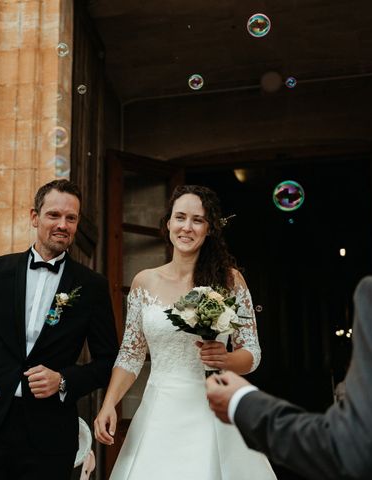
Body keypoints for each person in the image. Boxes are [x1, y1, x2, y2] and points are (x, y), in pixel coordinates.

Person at [0, 179, 119, 480]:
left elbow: (107, 362)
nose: (62, 224)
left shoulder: (92, 286)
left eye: (71, 218)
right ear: (35, 217)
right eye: (54, 215)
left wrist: (63, 379)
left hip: (50, 436)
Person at [94, 185, 276, 479]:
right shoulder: (144, 282)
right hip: (160, 410)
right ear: (168, 224)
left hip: (213, 408)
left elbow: (252, 353)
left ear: (209, 229)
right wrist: (109, 405)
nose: (187, 227)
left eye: (198, 220)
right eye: (180, 217)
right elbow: (131, 355)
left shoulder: (230, 281)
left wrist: (226, 359)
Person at [206, 274, 372, 480]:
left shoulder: (229, 278)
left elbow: (354, 449)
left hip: (216, 400)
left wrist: (240, 400)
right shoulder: (154, 280)